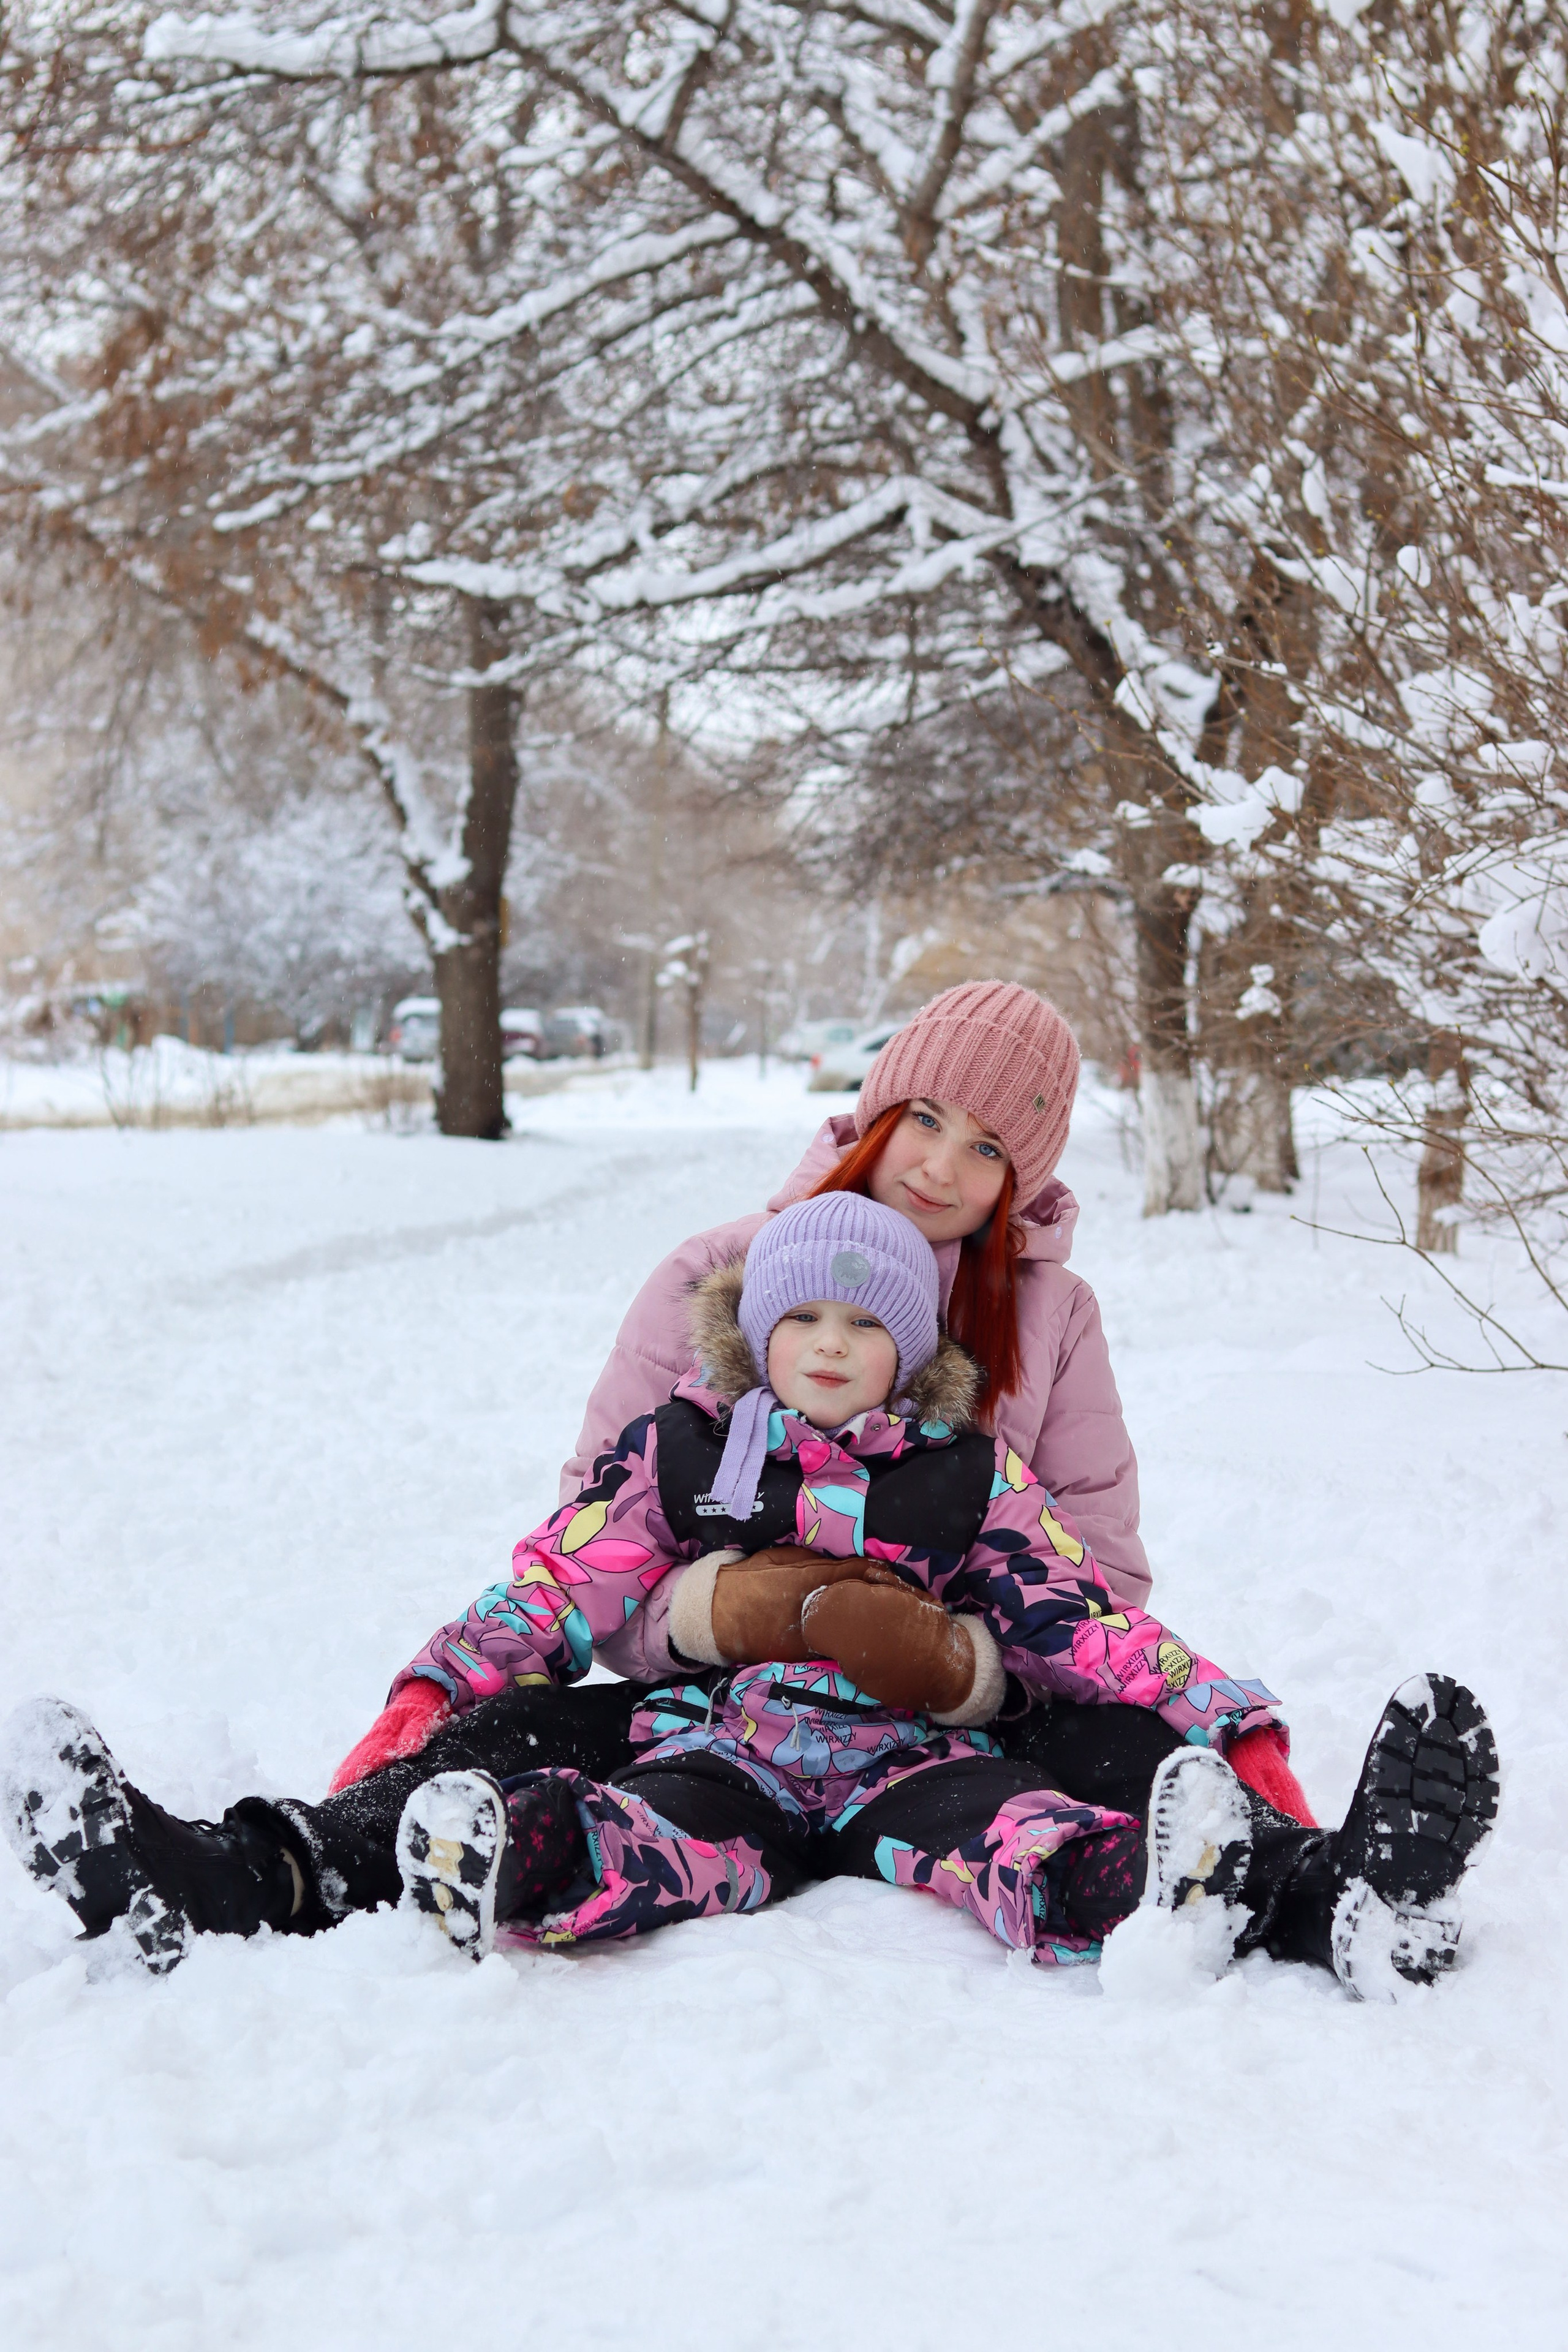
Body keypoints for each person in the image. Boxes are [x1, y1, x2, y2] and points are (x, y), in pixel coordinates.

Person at [5, 1198, 1498, 2000]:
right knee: (623, 1830)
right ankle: (273, 1874)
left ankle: (1274, 1894)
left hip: (918, 1755)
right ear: (753, 1338)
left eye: (867, 1323)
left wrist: (1226, 1720)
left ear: (908, 1352)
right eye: (803, 1322)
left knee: (1027, 1841)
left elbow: (1080, 1618)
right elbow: (554, 1575)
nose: (833, 1346)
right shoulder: (686, 1454)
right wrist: (436, 1689)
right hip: (724, 1744)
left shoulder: (965, 1473)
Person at [327, 982, 1311, 1833]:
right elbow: (596, 1536)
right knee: (511, 1730)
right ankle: (320, 1852)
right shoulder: (716, 1272)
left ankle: (1293, 1873)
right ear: (880, 1108)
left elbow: (1100, 1581)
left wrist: (955, 1661)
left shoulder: (1054, 1317)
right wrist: (726, 1612)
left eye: (986, 1149)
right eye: (925, 1118)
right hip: (718, 1711)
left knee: (1134, 1749)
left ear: (1022, 1180)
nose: (938, 1168)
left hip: (960, 1722)